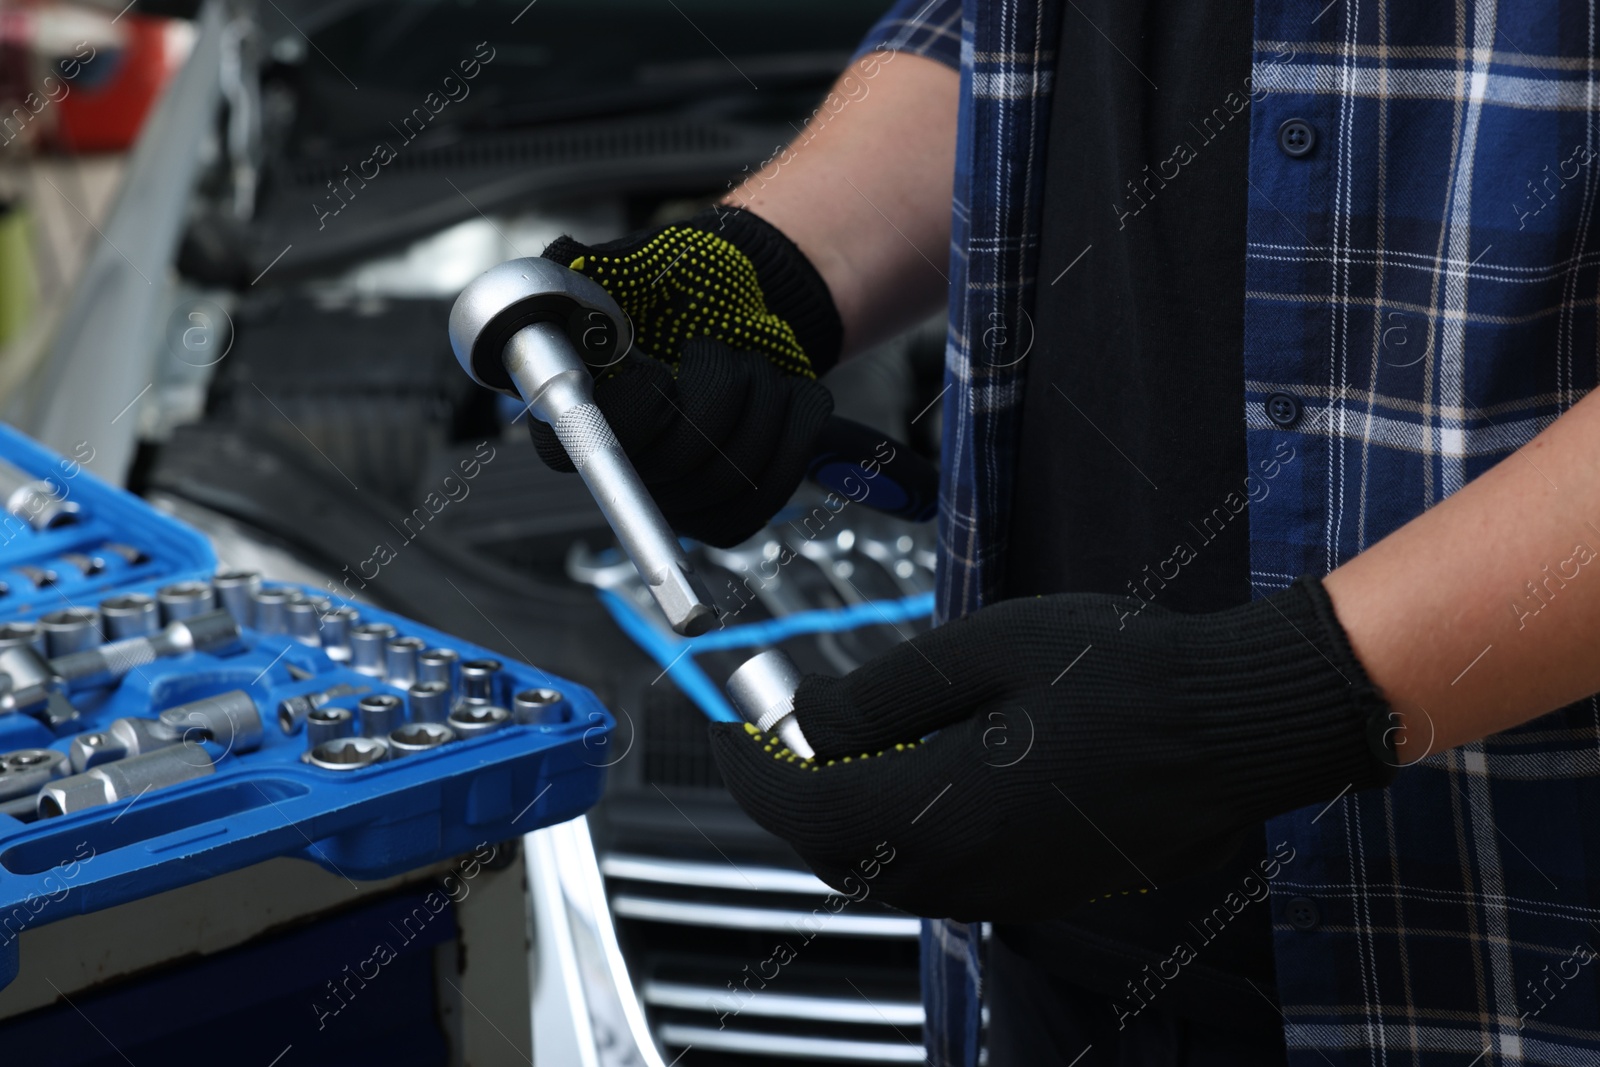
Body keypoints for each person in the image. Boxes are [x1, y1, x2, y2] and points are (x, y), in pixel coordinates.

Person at [531, 1, 1600, 1063]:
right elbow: (1008, 36)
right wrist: (764, 265)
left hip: (1503, 964)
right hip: (1056, 960)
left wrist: (1267, 701)